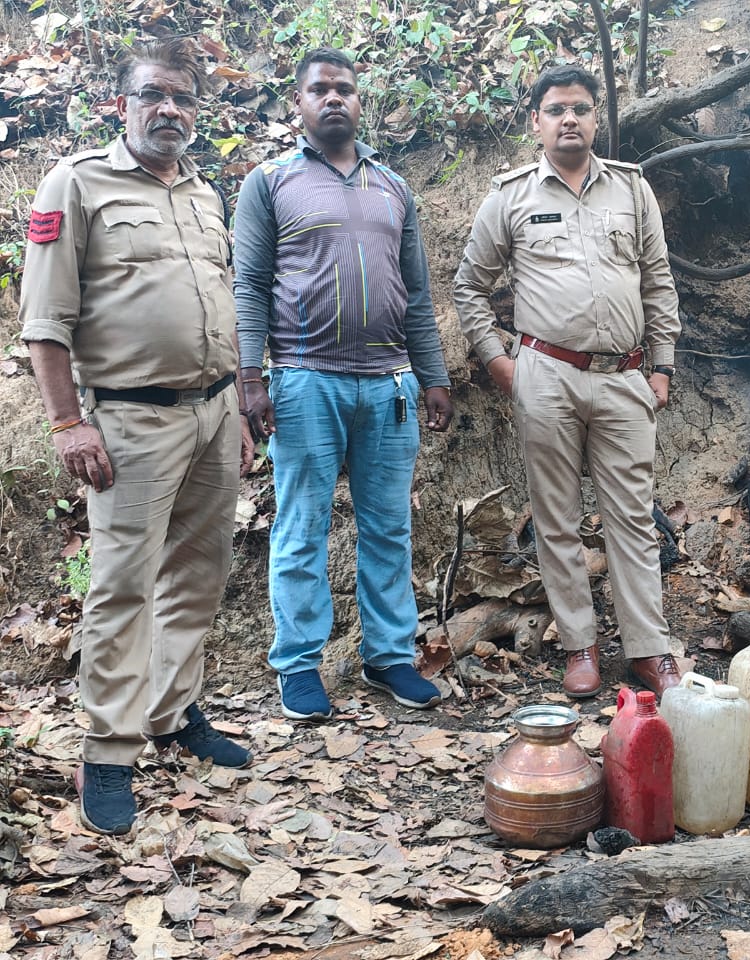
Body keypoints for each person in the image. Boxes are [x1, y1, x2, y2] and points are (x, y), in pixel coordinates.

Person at [19, 38, 255, 835]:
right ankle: (108, 751)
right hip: (129, 420)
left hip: (214, 414)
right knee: (123, 586)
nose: (170, 110)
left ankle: (171, 711)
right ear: (121, 105)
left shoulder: (203, 191)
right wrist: (66, 422)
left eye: (184, 98)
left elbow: (220, 304)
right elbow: (44, 322)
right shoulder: (78, 183)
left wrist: (235, 412)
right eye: (154, 94)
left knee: (199, 574)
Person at [234, 47, 453, 722]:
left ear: (360, 102)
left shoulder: (393, 186)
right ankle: (299, 665)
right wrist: (250, 376)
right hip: (305, 379)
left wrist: (433, 376)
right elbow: (250, 284)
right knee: (302, 527)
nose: (333, 98)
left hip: (389, 384)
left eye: (345, 89)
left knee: (388, 526)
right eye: (319, 89)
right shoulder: (269, 182)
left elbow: (416, 293)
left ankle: (388, 656)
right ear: (297, 104)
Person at [453, 65, 683, 699]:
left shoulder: (631, 189)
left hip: (624, 378)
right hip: (546, 375)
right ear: (537, 121)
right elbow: (470, 286)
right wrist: (498, 361)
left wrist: (663, 364)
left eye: (580, 108)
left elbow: (657, 280)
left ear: (596, 116)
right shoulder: (511, 197)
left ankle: (648, 650)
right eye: (556, 110)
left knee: (631, 518)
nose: (569, 119)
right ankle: (579, 646)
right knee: (556, 518)